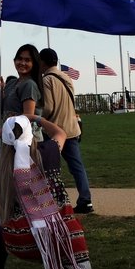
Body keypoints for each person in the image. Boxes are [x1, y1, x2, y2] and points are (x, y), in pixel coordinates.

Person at [0, 114, 127, 269]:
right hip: (66, 236)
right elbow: (61, 133)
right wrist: (36, 117)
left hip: (23, 240)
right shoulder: (48, 153)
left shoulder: (1, 169)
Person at [39, 48, 94, 214]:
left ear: (43, 62)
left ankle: (49, 201)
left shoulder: (47, 79)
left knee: (48, 167)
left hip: (55, 130)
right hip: (72, 127)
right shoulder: (66, 77)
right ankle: (86, 200)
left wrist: (38, 118)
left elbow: (49, 107)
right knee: (77, 167)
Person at [0, 44, 43, 126]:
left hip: (26, 137)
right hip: (11, 136)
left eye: (27, 60)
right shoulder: (11, 83)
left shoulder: (29, 85)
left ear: (34, 63)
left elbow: (27, 119)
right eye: (19, 59)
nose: (22, 63)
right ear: (14, 61)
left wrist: (3, 131)